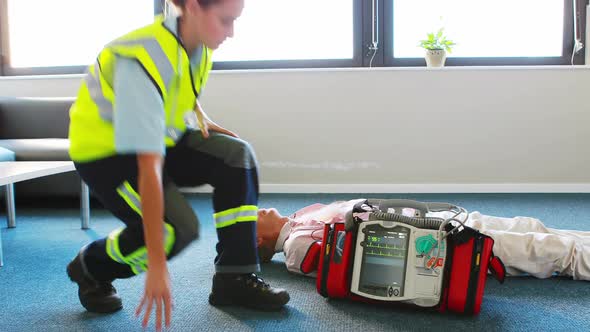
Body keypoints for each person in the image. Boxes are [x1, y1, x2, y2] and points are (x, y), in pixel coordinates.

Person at [66, 0, 289, 330]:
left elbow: (180, 86)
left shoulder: (199, 42)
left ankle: (235, 276)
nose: (232, 33)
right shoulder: (140, 57)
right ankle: (92, 265)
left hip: (159, 136)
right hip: (108, 152)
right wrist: (157, 265)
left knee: (235, 155)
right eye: (226, 21)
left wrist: (202, 116)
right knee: (174, 230)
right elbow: (148, 169)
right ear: (194, 8)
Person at [256, 199, 590, 281]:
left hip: (440, 220)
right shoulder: (296, 246)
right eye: (250, 218)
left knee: (529, 225)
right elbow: (356, 265)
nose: (257, 209)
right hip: (438, 243)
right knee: (543, 251)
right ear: (257, 242)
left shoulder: (301, 216)